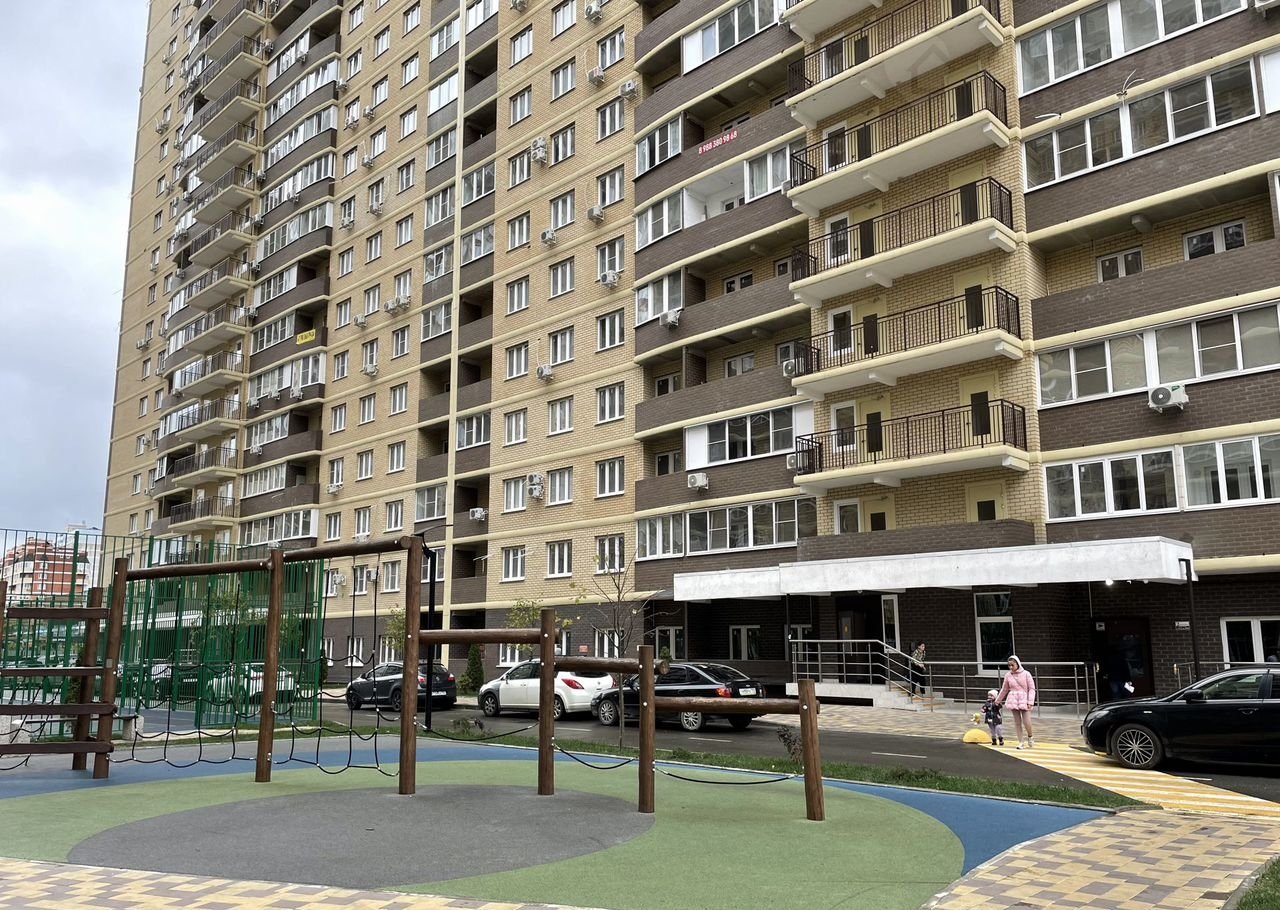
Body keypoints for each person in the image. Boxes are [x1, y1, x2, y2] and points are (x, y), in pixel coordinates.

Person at [994, 654, 1037, 749]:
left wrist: (1030, 702)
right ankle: (1021, 742)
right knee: (1017, 722)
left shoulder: (1026, 674)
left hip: (1024, 699)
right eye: (1009, 665)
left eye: (1012, 665)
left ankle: (1030, 736)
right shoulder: (1008, 675)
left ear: (1017, 664)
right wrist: (997, 701)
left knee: (1026, 721)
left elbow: (1032, 688)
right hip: (1013, 699)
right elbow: (1004, 689)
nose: (1011, 667)